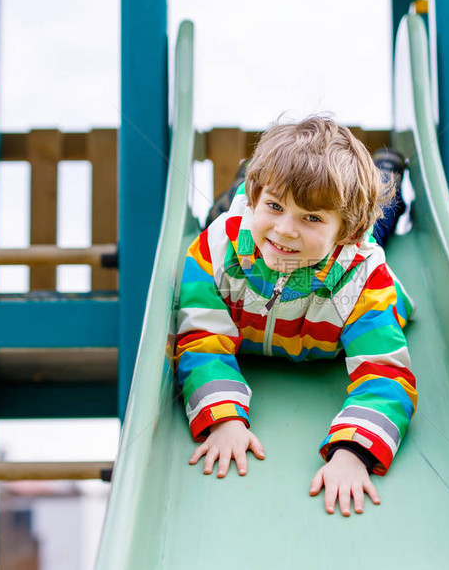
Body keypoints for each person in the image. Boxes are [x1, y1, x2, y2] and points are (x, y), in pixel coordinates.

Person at [175, 115, 416, 517]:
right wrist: (223, 418)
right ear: (257, 200)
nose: (285, 230)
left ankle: (385, 171)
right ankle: (246, 185)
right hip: (252, 218)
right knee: (240, 209)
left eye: (311, 217)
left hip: (343, 253)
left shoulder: (362, 282)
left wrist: (354, 450)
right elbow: (200, 338)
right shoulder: (216, 252)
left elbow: (386, 373)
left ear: (344, 233)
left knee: (378, 219)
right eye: (273, 205)